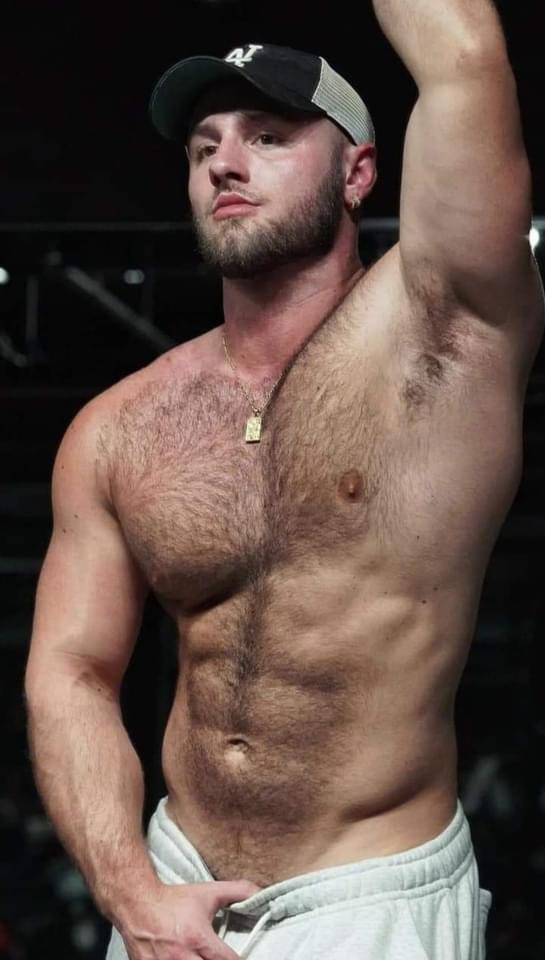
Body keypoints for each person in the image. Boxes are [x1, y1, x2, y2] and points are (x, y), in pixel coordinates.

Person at [25, 1, 544, 957]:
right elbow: (72, 671)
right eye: (204, 146)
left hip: (368, 897)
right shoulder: (117, 428)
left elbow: (463, 58)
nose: (224, 162)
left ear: (358, 171)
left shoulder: (448, 337)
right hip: (173, 884)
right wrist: (130, 891)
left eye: (268, 136)